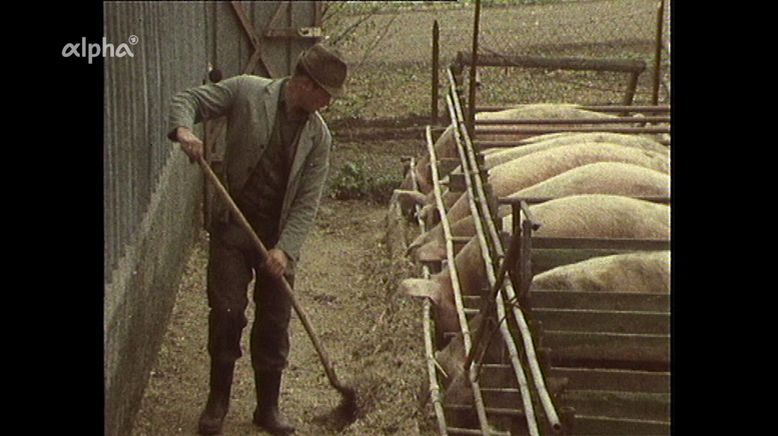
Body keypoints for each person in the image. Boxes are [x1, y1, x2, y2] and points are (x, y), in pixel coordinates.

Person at [167, 43, 348, 435]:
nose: (328, 105)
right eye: (325, 95)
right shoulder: (248, 91)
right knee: (228, 311)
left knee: (275, 322)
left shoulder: (319, 138)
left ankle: (267, 409)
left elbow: (307, 202)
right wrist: (184, 128)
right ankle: (217, 402)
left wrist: (286, 249)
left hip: (277, 238)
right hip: (233, 226)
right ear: (304, 82)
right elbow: (190, 99)